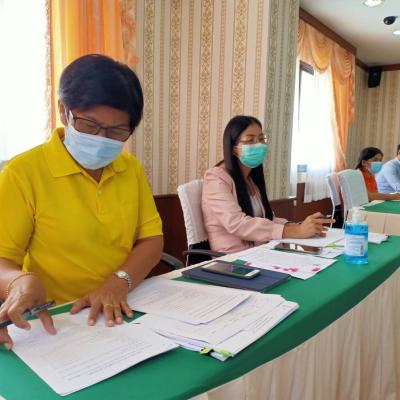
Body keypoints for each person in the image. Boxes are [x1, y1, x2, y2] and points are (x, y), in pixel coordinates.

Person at [0, 54, 163, 349]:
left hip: (123, 307)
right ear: (64, 111)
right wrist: (18, 282)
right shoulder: (24, 172)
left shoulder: (130, 168)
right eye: (90, 125)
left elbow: (152, 239)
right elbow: (2, 260)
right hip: (59, 319)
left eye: (117, 131)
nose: (102, 138)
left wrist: (118, 283)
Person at [201, 115, 334, 253]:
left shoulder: (249, 179)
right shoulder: (216, 178)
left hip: (259, 251)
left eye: (261, 139)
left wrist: (300, 226)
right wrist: (297, 231)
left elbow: (268, 219)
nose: (258, 145)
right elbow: (237, 224)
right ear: (234, 148)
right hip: (232, 258)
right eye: (250, 140)